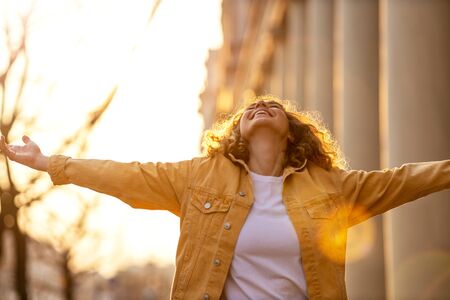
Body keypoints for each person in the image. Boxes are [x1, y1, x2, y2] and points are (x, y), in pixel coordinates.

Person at [1, 95, 449, 300]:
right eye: (250, 108)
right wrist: (49, 163)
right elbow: (126, 175)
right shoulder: (200, 178)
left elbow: (403, 180)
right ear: (235, 131)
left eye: (273, 106)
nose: (260, 107)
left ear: (293, 132)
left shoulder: (331, 188)